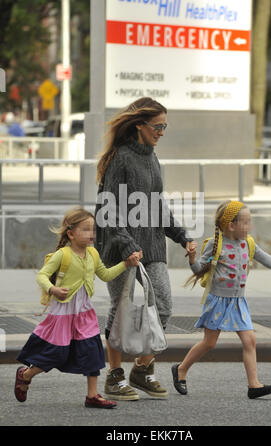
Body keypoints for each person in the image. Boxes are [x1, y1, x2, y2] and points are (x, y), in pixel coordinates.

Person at [95, 97, 195, 401]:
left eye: (165, 126)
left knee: (163, 305)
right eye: (157, 126)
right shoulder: (120, 158)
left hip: (151, 245)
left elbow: (157, 206)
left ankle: (142, 368)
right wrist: (126, 245)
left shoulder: (152, 157)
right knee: (121, 311)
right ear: (140, 124)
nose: (162, 131)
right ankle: (114, 377)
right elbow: (107, 209)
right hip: (118, 247)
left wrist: (182, 236)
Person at [171, 200, 271, 399]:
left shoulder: (248, 243)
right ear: (231, 225)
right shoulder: (216, 244)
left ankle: (254, 385)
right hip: (218, 302)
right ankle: (181, 369)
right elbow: (198, 271)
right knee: (209, 343)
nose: (250, 227)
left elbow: (267, 259)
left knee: (250, 340)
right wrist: (192, 259)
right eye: (246, 222)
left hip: (238, 302)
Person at [14, 207, 138, 408]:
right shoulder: (62, 255)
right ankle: (26, 374)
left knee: (93, 351)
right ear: (71, 233)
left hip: (84, 311)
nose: (92, 234)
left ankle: (92, 396)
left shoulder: (93, 254)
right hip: (62, 312)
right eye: (86, 229)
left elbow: (105, 275)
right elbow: (41, 276)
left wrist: (126, 264)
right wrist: (52, 289)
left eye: (93, 230)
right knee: (57, 353)